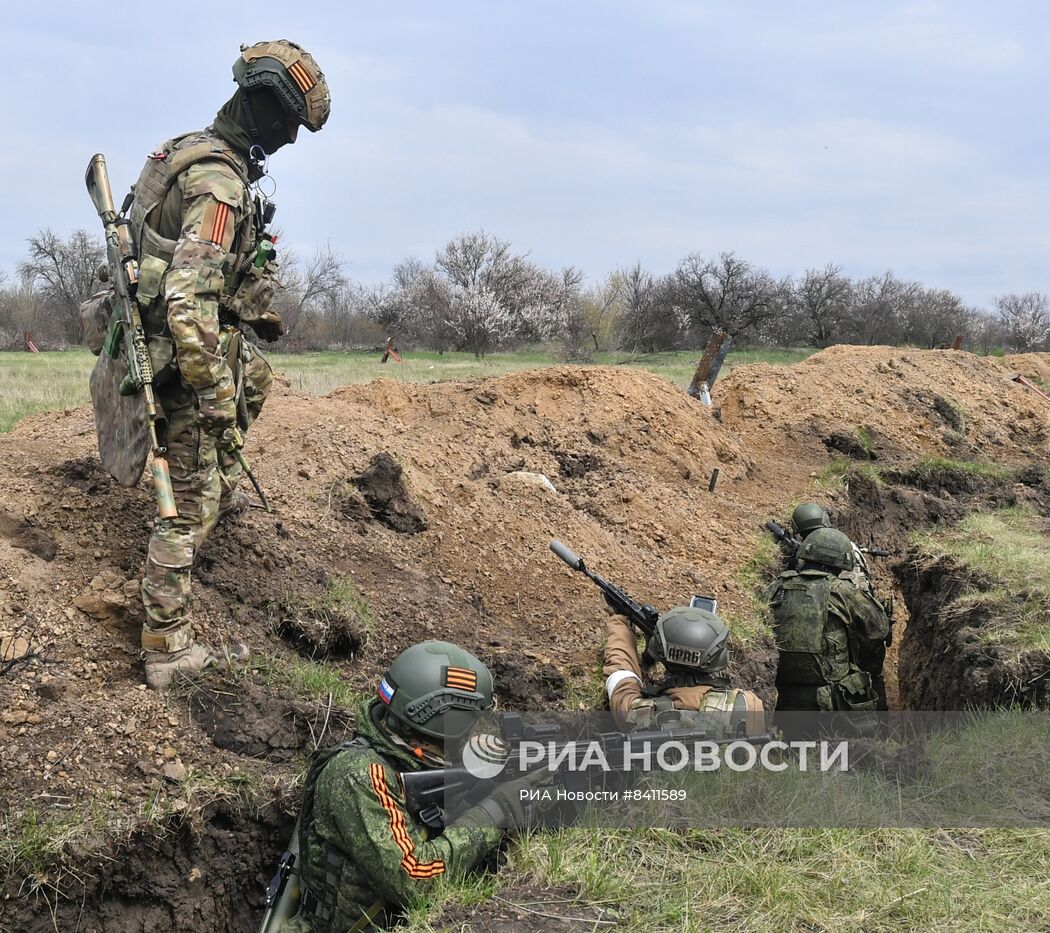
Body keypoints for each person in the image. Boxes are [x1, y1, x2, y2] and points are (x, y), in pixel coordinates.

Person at [133, 40, 330, 688]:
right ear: (269, 113)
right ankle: (166, 646)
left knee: (260, 379)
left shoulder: (183, 151)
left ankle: (214, 486)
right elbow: (188, 304)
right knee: (186, 505)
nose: (292, 143)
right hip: (179, 360)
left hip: (169, 342)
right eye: (291, 127)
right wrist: (216, 400)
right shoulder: (219, 185)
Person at [268, 642, 544, 932]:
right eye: (472, 720)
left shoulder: (410, 756)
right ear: (442, 719)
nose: (476, 730)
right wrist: (496, 810)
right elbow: (415, 879)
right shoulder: (359, 775)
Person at [767, 527, 890, 713]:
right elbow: (879, 629)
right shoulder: (841, 590)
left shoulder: (775, 587)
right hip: (830, 699)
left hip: (779, 695)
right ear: (840, 562)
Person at [602, 604, 765, 736]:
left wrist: (619, 620)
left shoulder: (637, 712)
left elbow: (621, 673)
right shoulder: (747, 705)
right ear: (719, 659)